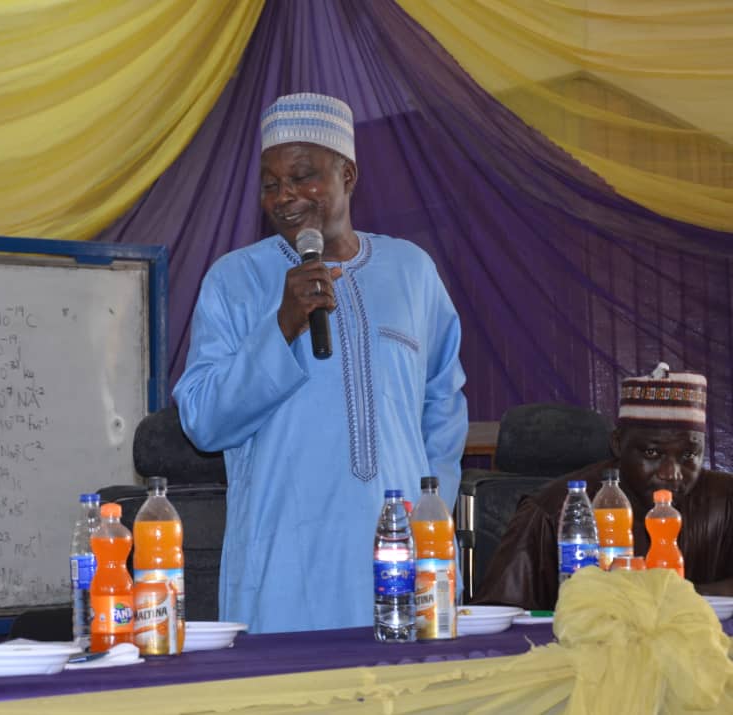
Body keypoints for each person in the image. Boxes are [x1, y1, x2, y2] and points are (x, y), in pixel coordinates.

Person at [173, 92, 468, 633]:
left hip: (401, 556)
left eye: (302, 176)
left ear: (347, 175)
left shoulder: (412, 271)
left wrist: (433, 515)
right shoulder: (234, 281)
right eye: (270, 183)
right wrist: (281, 326)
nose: (284, 196)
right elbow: (202, 421)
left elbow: (442, 406)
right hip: (284, 563)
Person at [473, 364, 733, 610]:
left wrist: (673, 597)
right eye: (652, 453)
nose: (671, 473)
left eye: (689, 455)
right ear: (618, 444)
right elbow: (499, 614)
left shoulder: (727, 499)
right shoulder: (551, 510)